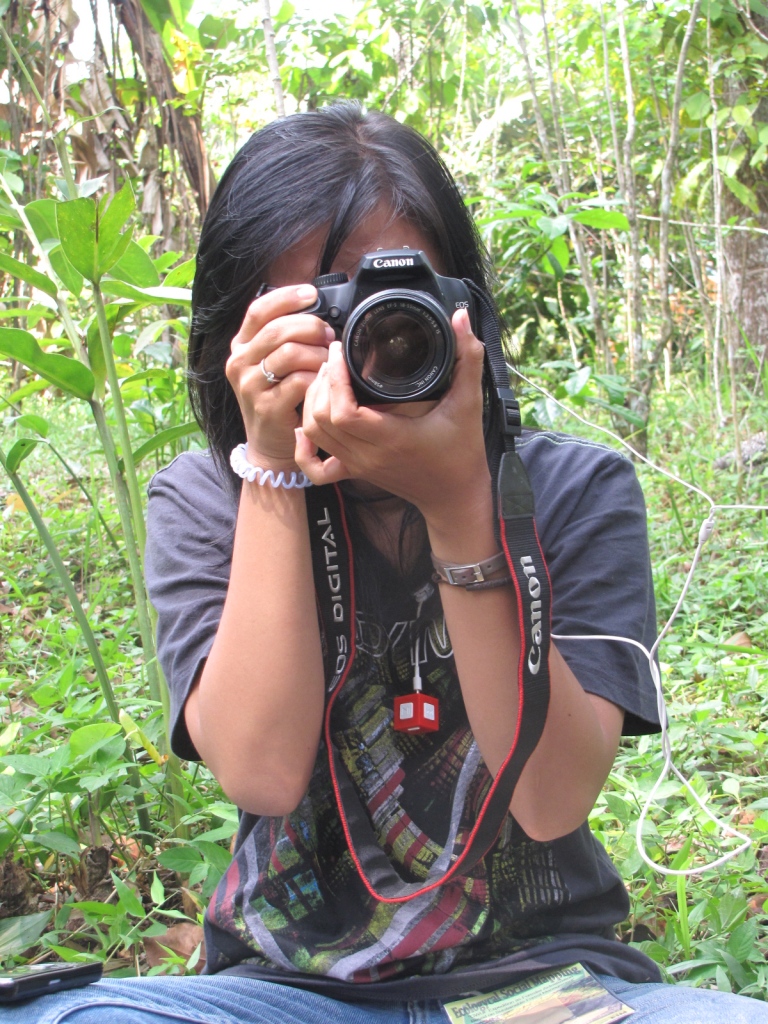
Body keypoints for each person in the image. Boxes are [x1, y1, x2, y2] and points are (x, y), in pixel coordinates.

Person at [11, 103, 766, 1023]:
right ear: (234, 338)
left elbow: (551, 796)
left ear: (464, 308)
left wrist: (460, 505)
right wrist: (272, 471)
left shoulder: (573, 487)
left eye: (395, 309)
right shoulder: (209, 498)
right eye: (314, 317)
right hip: (285, 996)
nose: (363, 347)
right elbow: (260, 772)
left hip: (542, 989)